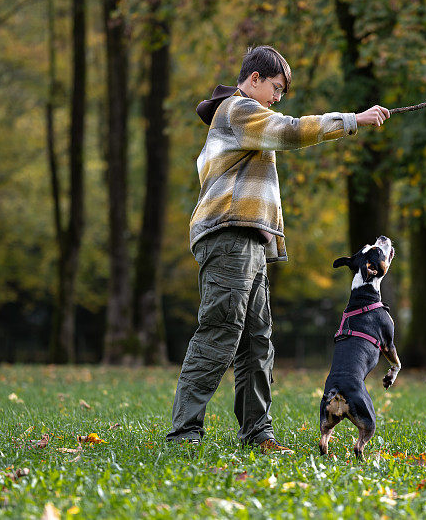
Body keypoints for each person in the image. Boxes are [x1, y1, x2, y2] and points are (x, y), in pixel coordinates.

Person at [166, 45, 390, 453]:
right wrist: (352, 120)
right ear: (254, 79)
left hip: (248, 241)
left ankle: (257, 433)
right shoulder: (236, 110)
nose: (278, 98)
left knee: (257, 342)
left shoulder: (246, 121)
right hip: (228, 236)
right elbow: (289, 130)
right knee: (220, 332)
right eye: (276, 88)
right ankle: (184, 432)